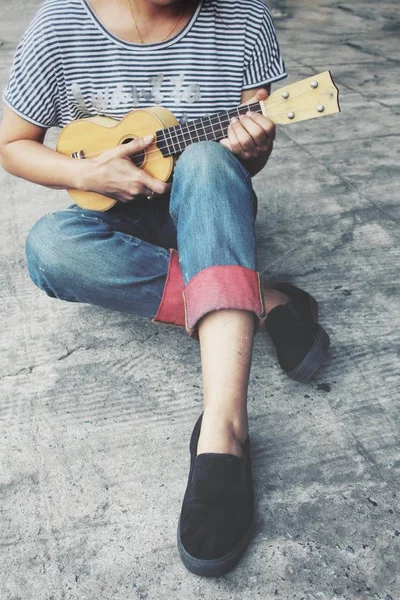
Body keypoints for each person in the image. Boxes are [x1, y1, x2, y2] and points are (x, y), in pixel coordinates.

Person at [0, 0, 329, 577]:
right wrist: (83, 173)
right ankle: (261, 298)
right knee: (49, 249)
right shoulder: (61, 25)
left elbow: (245, 156)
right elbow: (11, 143)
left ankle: (223, 432)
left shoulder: (245, 20)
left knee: (204, 159)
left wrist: (255, 149)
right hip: (118, 212)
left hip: (206, 206)